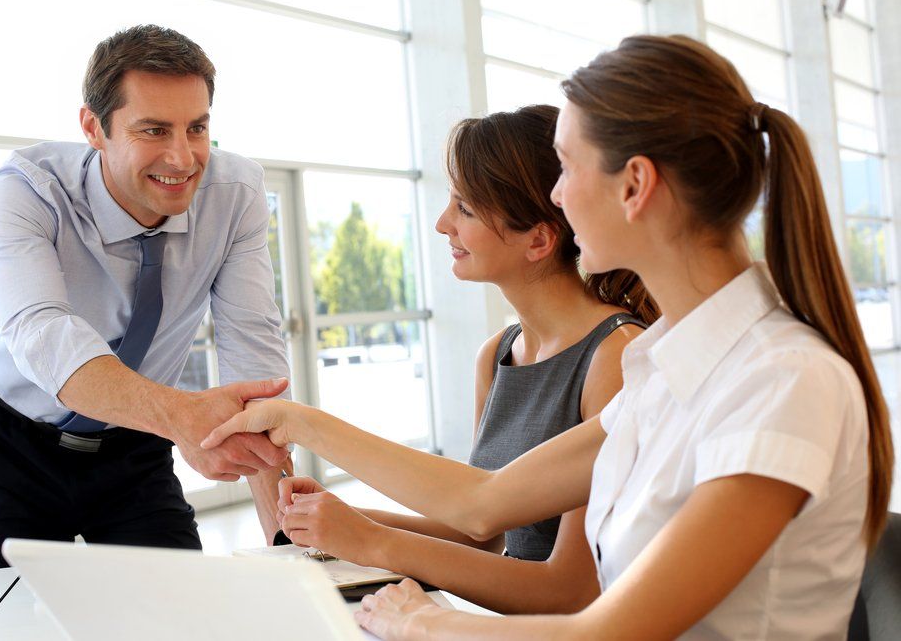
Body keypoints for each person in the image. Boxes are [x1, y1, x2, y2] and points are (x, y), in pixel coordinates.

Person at [203, 35, 893, 640]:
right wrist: (293, 420)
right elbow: (484, 502)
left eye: (565, 166)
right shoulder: (668, 372)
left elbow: (607, 627)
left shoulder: (782, 380)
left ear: (635, 186)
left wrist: (424, 618)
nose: (556, 197)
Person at [270, 104, 656, 614]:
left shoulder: (615, 356)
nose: (441, 224)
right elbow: (479, 532)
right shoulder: (496, 355)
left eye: (466, 210)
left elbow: (569, 591)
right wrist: (339, 517)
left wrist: (369, 541)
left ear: (539, 239)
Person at [0, 25, 291, 570]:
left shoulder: (237, 195)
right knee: (26, 619)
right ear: (94, 127)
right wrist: (184, 417)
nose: (182, 159)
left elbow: (251, 348)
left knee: (176, 607)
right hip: (12, 441)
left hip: (136, 441)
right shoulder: (27, 189)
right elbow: (43, 333)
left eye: (197, 128)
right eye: (154, 130)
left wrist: (287, 541)